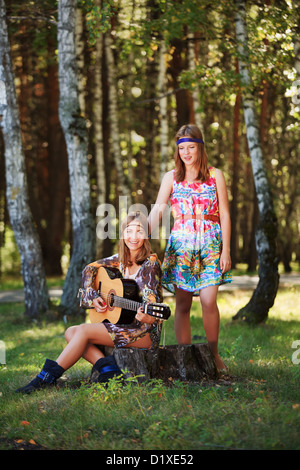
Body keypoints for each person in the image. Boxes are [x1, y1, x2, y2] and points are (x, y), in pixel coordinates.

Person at [16, 212, 163, 394]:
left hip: (144, 333)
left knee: (82, 332)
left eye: (139, 231)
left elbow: (150, 295)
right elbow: (89, 269)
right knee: (71, 332)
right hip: (123, 324)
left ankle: (46, 378)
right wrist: (93, 294)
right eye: (128, 231)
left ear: (147, 235)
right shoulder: (120, 260)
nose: (133, 237)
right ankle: (108, 369)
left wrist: (148, 316)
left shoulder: (151, 264)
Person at [148, 124, 232, 372]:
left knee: (208, 301)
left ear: (200, 147)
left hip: (210, 246)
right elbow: (158, 209)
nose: (186, 152)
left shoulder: (216, 175)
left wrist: (226, 250)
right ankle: (185, 359)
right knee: (182, 305)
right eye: (182, 148)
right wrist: (142, 233)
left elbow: (225, 215)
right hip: (182, 247)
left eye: (191, 147)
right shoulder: (171, 177)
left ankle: (214, 355)